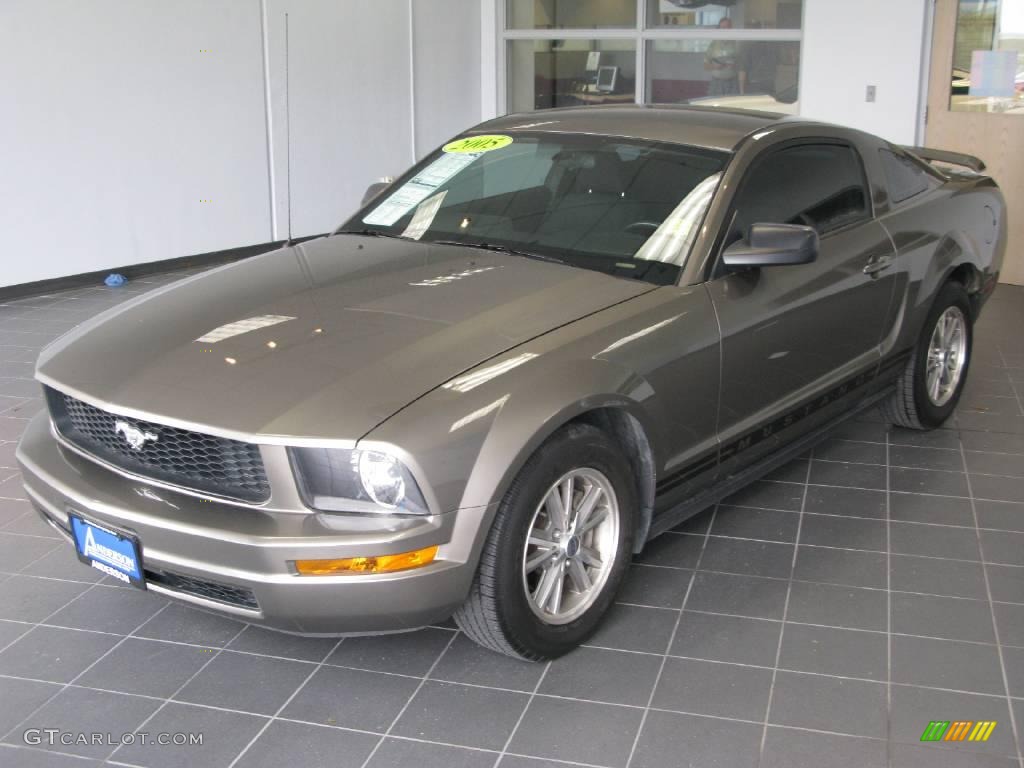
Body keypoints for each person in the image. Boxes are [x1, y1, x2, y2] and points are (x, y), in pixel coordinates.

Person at [704, 18, 738, 96]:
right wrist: (714, 66)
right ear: (719, 29)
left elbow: (744, 65)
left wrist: (735, 65)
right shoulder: (714, 44)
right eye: (723, 28)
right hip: (717, 82)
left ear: (731, 28)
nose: (725, 30)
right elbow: (705, 66)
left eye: (727, 27)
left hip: (733, 82)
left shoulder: (737, 43)